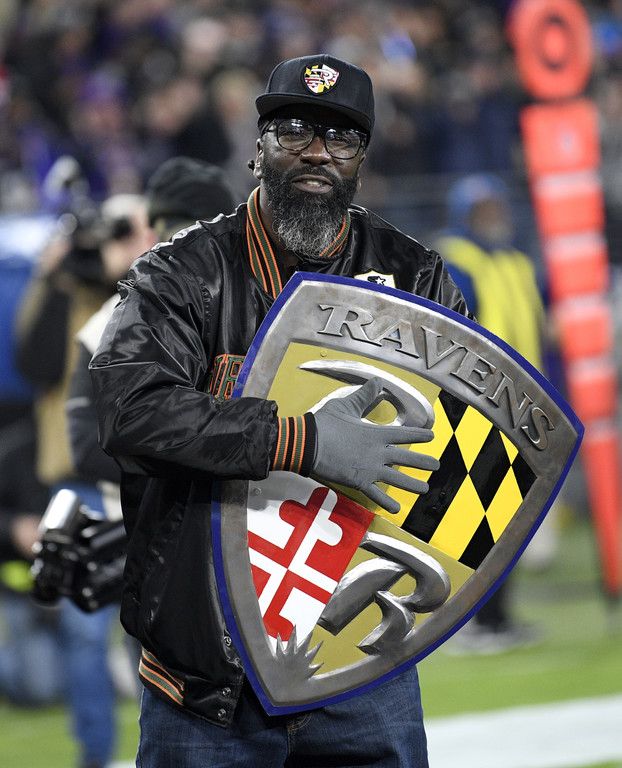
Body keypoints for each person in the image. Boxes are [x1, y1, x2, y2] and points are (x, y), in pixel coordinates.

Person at [89, 54, 469, 768]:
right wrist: (302, 440)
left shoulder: (416, 276)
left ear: (362, 159)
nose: (317, 151)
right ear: (257, 147)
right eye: (294, 130)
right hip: (205, 685)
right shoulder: (179, 273)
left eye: (341, 136)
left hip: (358, 663)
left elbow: (464, 446)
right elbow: (130, 410)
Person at [14, 191, 153, 768]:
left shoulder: (161, 287)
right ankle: (95, 757)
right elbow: (36, 364)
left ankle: (162, 751)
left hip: (144, 483)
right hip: (77, 484)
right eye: (116, 230)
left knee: (153, 630)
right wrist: (53, 276)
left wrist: (134, 264)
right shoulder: (65, 294)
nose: (122, 241)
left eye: (134, 228)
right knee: (82, 632)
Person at [435, 173, 548, 653]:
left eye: (496, 207)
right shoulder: (454, 258)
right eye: (482, 210)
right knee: (475, 516)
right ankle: (468, 620)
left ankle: (497, 618)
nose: (493, 217)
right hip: (478, 402)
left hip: (525, 405)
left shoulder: (516, 261)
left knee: (509, 517)